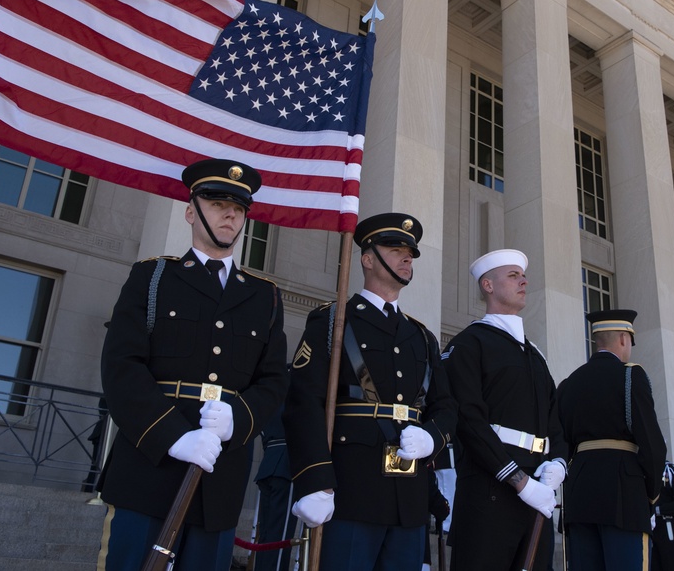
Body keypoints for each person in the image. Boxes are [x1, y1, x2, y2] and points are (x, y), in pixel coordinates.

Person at [98, 158, 288, 570]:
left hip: (219, 476)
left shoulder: (264, 297)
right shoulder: (152, 278)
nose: (231, 213)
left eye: (239, 207)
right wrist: (172, 436)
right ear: (190, 212)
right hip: (148, 465)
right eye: (218, 202)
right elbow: (121, 366)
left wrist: (238, 418)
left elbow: (273, 380)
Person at [283, 212, 457, 571]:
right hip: (350, 492)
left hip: (407, 499)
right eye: (395, 249)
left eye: (410, 251)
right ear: (367, 258)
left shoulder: (421, 337)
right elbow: (304, 404)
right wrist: (315, 479)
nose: (407, 257)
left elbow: (446, 406)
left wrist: (432, 439)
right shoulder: (333, 321)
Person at [442, 249, 568, 571]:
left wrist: (558, 463)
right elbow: (469, 421)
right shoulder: (469, 344)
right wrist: (518, 481)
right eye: (513, 275)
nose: (524, 280)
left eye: (522, 275)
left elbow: (555, 420)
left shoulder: (535, 355)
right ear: (487, 285)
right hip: (491, 492)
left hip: (539, 491)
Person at [557, 309, 666, 571]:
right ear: (623, 339)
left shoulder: (569, 383)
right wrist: (650, 496)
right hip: (624, 495)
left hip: (579, 495)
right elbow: (652, 447)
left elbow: (562, 440)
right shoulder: (631, 375)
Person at [253, 405, 298, 571]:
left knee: (266, 535)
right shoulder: (298, 393)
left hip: (269, 462)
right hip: (287, 464)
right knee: (280, 536)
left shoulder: (275, 393)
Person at [651, 460, 674, 571]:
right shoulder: (644, 470)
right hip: (648, 528)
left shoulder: (671, 471)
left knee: (668, 564)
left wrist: (658, 510)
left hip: (666, 527)